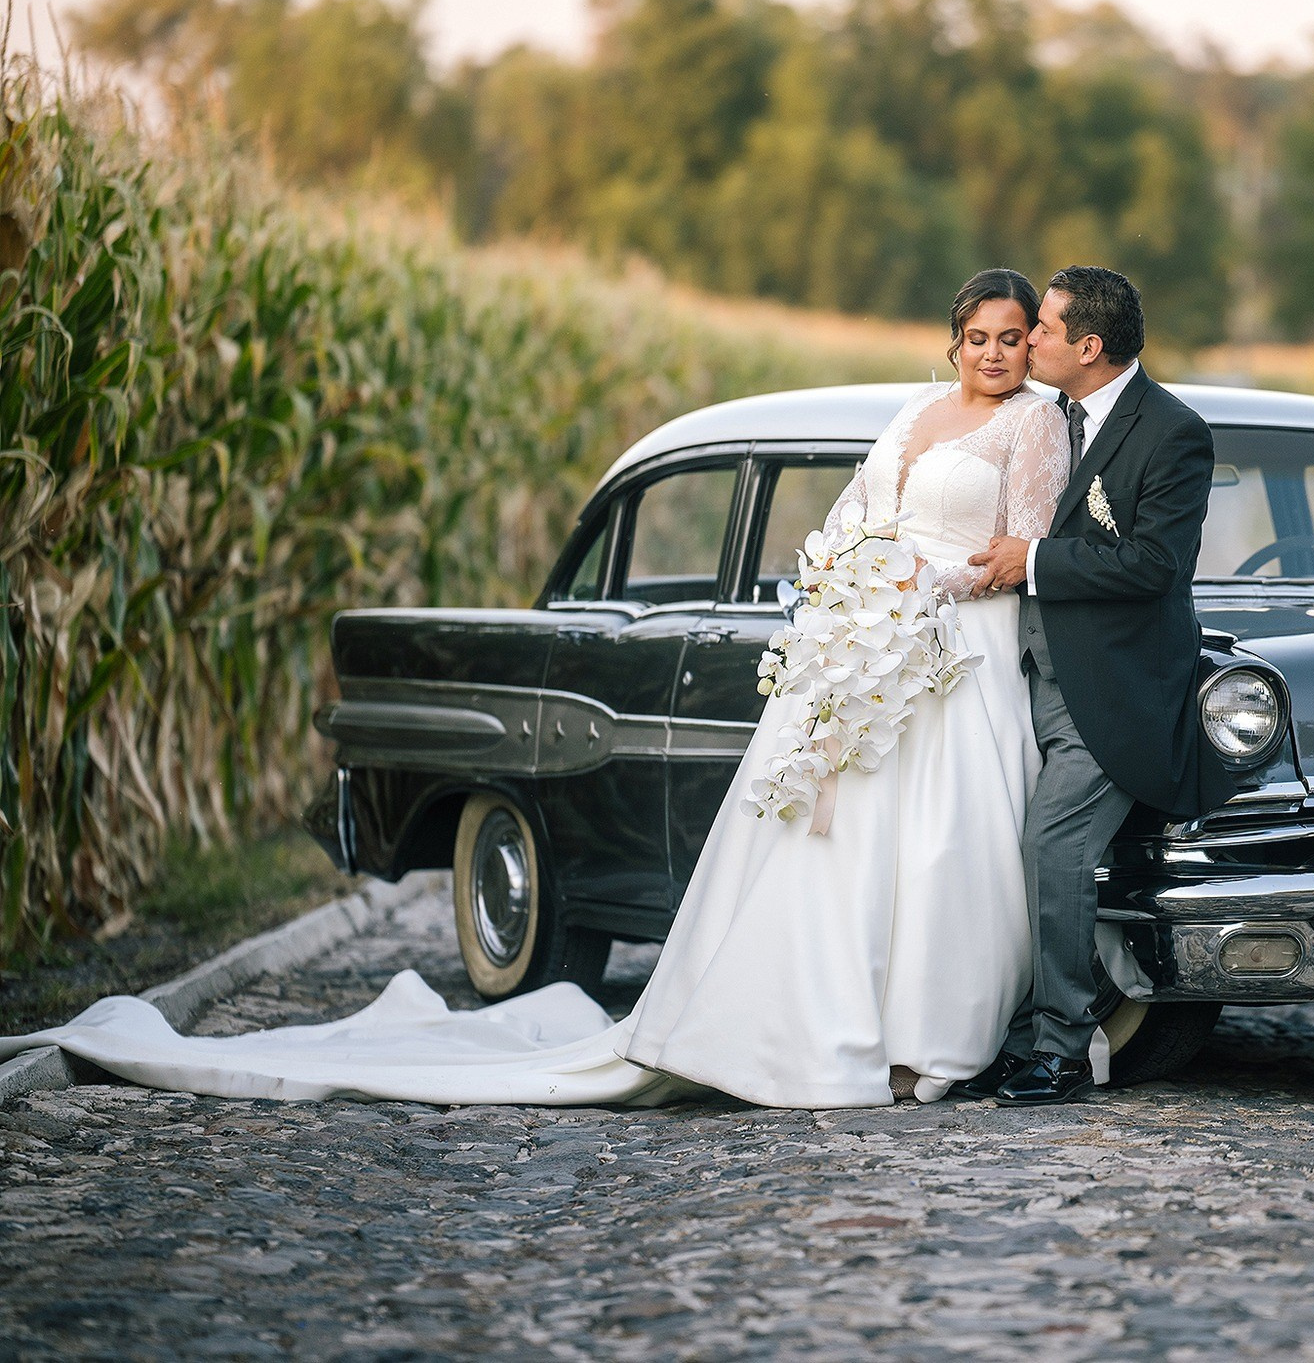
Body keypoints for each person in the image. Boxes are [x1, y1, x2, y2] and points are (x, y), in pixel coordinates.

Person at [0, 269, 1072, 1110]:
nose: (991, 353)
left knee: (934, 847)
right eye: (976, 337)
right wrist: (845, 583)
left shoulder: (1032, 423)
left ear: (1035, 343)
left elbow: (1024, 542)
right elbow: (852, 512)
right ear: (952, 342)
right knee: (826, 845)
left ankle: (923, 1041)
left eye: (1011, 337)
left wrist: (912, 585)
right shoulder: (916, 411)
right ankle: (802, 1020)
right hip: (858, 640)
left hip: (949, 650)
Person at [964, 266, 1235, 1107]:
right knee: (996, 846)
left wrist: (1034, 561)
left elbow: (1157, 565)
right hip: (1025, 683)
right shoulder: (1047, 419)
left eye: (1041, 328)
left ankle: (1063, 1047)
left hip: (1114, 698)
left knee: (1055, 849)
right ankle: (1008, 1034)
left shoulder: (1173, 432)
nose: (1028, 337)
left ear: (1088, 345)